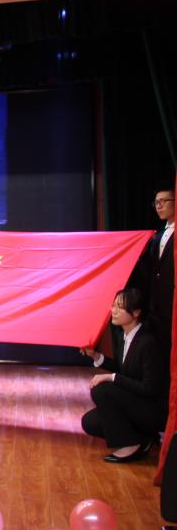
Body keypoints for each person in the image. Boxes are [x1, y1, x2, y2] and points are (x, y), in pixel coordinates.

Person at [79, 288, 169, 463]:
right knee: (89, 422)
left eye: (120, 307)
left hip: (152, 410)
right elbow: (123, 369)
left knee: (102, 390)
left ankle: (131, 445)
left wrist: (112, 377)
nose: (113, 310)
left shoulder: (148, 342)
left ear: (136, 313)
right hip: (135, 402)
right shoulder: (123, 336)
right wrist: (96, 356)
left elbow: (150, 388)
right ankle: (144, 438)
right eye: (113, 305)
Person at [137, 187, 174, 355]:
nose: (159, 206)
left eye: (163, 201)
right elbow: (151, 272)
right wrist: (142, 254)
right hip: (156, 305)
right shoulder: (157, 236)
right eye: (156, 203)